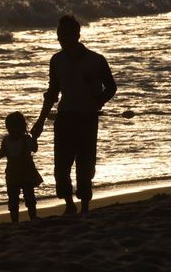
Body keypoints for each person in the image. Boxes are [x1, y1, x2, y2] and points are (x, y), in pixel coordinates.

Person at [31, 15, 117, 215]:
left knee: (85, 166)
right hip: (65, 118)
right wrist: (40, 121)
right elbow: (52, 93)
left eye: (64, 34)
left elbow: (111, 87)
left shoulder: (96, 60)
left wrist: (98, 101)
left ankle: (85, 206)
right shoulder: (57, 60)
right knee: (61, 166)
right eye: (59, 34)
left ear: (76, 35)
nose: (60, 38)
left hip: (88, 118)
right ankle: (69, 204)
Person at [0, 111, 43, 222]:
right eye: (8, 127)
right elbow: (3, 152)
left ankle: (33, 216)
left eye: (12, 126)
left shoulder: (26, 139)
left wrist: (34, 138)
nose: (10, 129)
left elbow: (34, 149)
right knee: (13, 198)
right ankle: (14, 220)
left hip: (26, 172)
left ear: (20, 127)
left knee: (29, 196)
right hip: (12, 173)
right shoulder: (6, 140)